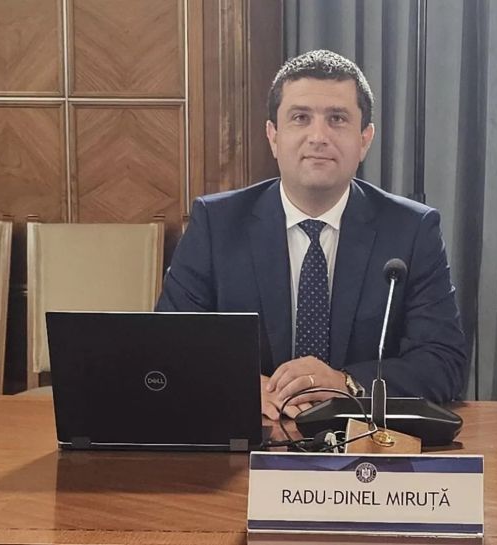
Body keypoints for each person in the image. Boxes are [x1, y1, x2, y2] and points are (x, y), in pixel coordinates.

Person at [157, 49, 467, 420]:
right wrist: (238, 384)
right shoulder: (216, 224)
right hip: (251, 431)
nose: (318, 136)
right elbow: (167, 347)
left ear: (364, 139)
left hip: (364, 439)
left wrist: (346, 383)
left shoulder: (411, 230)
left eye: (337, 119)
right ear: (273, 136)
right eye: (300, 118)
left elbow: (443, 362)